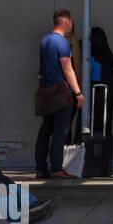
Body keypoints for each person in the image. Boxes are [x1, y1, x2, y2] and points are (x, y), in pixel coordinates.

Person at [34, 9, 84, 180]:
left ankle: (41, 168)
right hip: (60, 92)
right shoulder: (62, 43)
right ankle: (56, 167)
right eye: (71, 22)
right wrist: (78, 92)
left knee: (45, 130)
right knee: (59, 130)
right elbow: (67, 68)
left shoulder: (44, 40)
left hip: (45, 91)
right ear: (66, 22)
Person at [88, 27, 113, 138]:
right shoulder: (109, 56)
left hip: (95, 93)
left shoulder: (91, 58)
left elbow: (87, 75)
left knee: (93, 126)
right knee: (106, 127)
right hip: (108, 95)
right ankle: (104, 150)